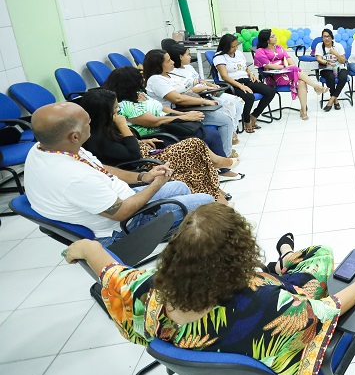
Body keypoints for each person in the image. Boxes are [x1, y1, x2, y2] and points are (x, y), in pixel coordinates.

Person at [63, 203, 355, 375]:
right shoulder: (266, 303)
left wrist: (89, 247)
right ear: (240, 254)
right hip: (275, 300)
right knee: (319, 255)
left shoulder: (147, 291)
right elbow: (326, 309)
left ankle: (285, 261)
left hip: (205, 365)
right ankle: (287, 260)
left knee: (280, 273)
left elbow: (110, 271)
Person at [24, 102, 214, 246]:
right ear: (74, 136)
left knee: (180, 186)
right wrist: (157, 184)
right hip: (123, 226)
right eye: (88, 123)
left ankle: (179, 226)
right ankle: (180, 236)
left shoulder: (46, 147)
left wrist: (143, 177)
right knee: (206, 201)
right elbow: (122, 213)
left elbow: (100, 168)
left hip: (120, 200)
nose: (91, 125)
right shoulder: (73, 177)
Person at [81, 89, 240, 203]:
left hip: (147, 151)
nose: (119, 110)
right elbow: (133, 156)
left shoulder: (107, 126)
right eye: (115, 108)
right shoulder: (95, 138)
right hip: (144, 162)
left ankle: (216, 186)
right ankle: (217, 177)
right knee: (193, 153)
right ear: (103, 113)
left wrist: (140, 141)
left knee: (194, 148)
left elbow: (126, 143)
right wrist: (123, 126)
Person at [103, 66, 228, 160]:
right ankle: (217, 165)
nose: (143, 80)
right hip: (157, 135)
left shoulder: (139, 94)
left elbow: (161, 107)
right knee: (198, 141)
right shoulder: (125, 105)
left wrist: (182, 114)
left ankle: (221, 169)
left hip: (168, 125)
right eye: (140, 79)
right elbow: (154, 121)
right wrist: (184, 118)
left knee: (211, 133)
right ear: (130, 83)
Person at [144, 49, 237, 158]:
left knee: (226, 110)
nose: (173, 62)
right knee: (226, 120)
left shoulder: (170, 74)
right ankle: (225, 155)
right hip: (177, 112)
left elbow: (189, 88)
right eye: (168, 61)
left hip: (190, 105)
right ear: (158, 65)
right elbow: (178, 99)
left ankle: (223, 150)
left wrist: (205, 87)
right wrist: (204, 101)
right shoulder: (156, 80)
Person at [166, 44, 244, 140]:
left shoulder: (188, 67)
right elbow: (185, 91)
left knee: (239, 102)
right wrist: (205, 88)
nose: (190, 57)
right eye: (188, 55)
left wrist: (211, 85)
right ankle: (230, 134)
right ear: (180, 57)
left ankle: (233, 130)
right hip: (199, 96)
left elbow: (200, 80)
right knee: (230, 106)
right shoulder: (174, 73)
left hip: (208, 91)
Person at [253, 29, 327, 120]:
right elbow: (267, 65)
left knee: (301, 82)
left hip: (287, 73)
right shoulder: (260, 51)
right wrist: (283, 67)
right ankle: (316, 87)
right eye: (272, 36)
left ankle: (304, 111)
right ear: (266, 40)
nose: (275, 38)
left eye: (274, 35)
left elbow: (289, 59)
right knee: (294, 69)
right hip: (273, 77)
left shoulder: (279, 47)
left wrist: (288, 66)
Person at [214, 34, 276, 133]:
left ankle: (254, 115)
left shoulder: (238, 53)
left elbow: (244, 67)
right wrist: (241, 86)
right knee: (249, 96)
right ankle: (246, 120)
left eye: (236, 46)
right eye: (232, 47)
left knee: (270, 91)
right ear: (225, 46)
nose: (235, 48)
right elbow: (225, 76)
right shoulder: (219, 57)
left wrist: (250, 74)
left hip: (245, 80)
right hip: (231, 84)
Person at [315, 28, 350, 111]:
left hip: (339, 67)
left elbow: (342, 61)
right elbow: (319, 59)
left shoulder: (338, 46)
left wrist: (336, 53)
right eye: (324, 37)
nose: (326, 39)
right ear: (322, 37)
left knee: (343, 77)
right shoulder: (319, 45)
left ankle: (331, 100)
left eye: (328, 36)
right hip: (326, 69)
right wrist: (328, 63)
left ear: (332, 37)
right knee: (330, 78)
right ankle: (335, 100)